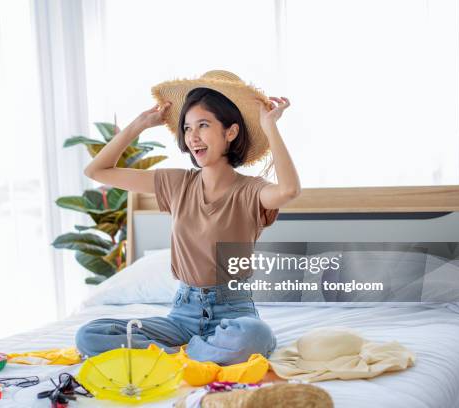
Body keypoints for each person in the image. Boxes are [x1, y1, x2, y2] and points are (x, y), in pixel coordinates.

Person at [76, 70, 301, 365]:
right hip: (182, 313)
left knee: (253, 335)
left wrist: (269, 126)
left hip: (233, 313)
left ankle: (176, 355)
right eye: (187, 128)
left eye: (203, 125)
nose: (192, 136)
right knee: (90, 335)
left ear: (230, 132)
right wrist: (139, 125)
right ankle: (195, 352)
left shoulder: (251, 190)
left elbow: (289, 189)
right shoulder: (177, 183)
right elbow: (97, 171)